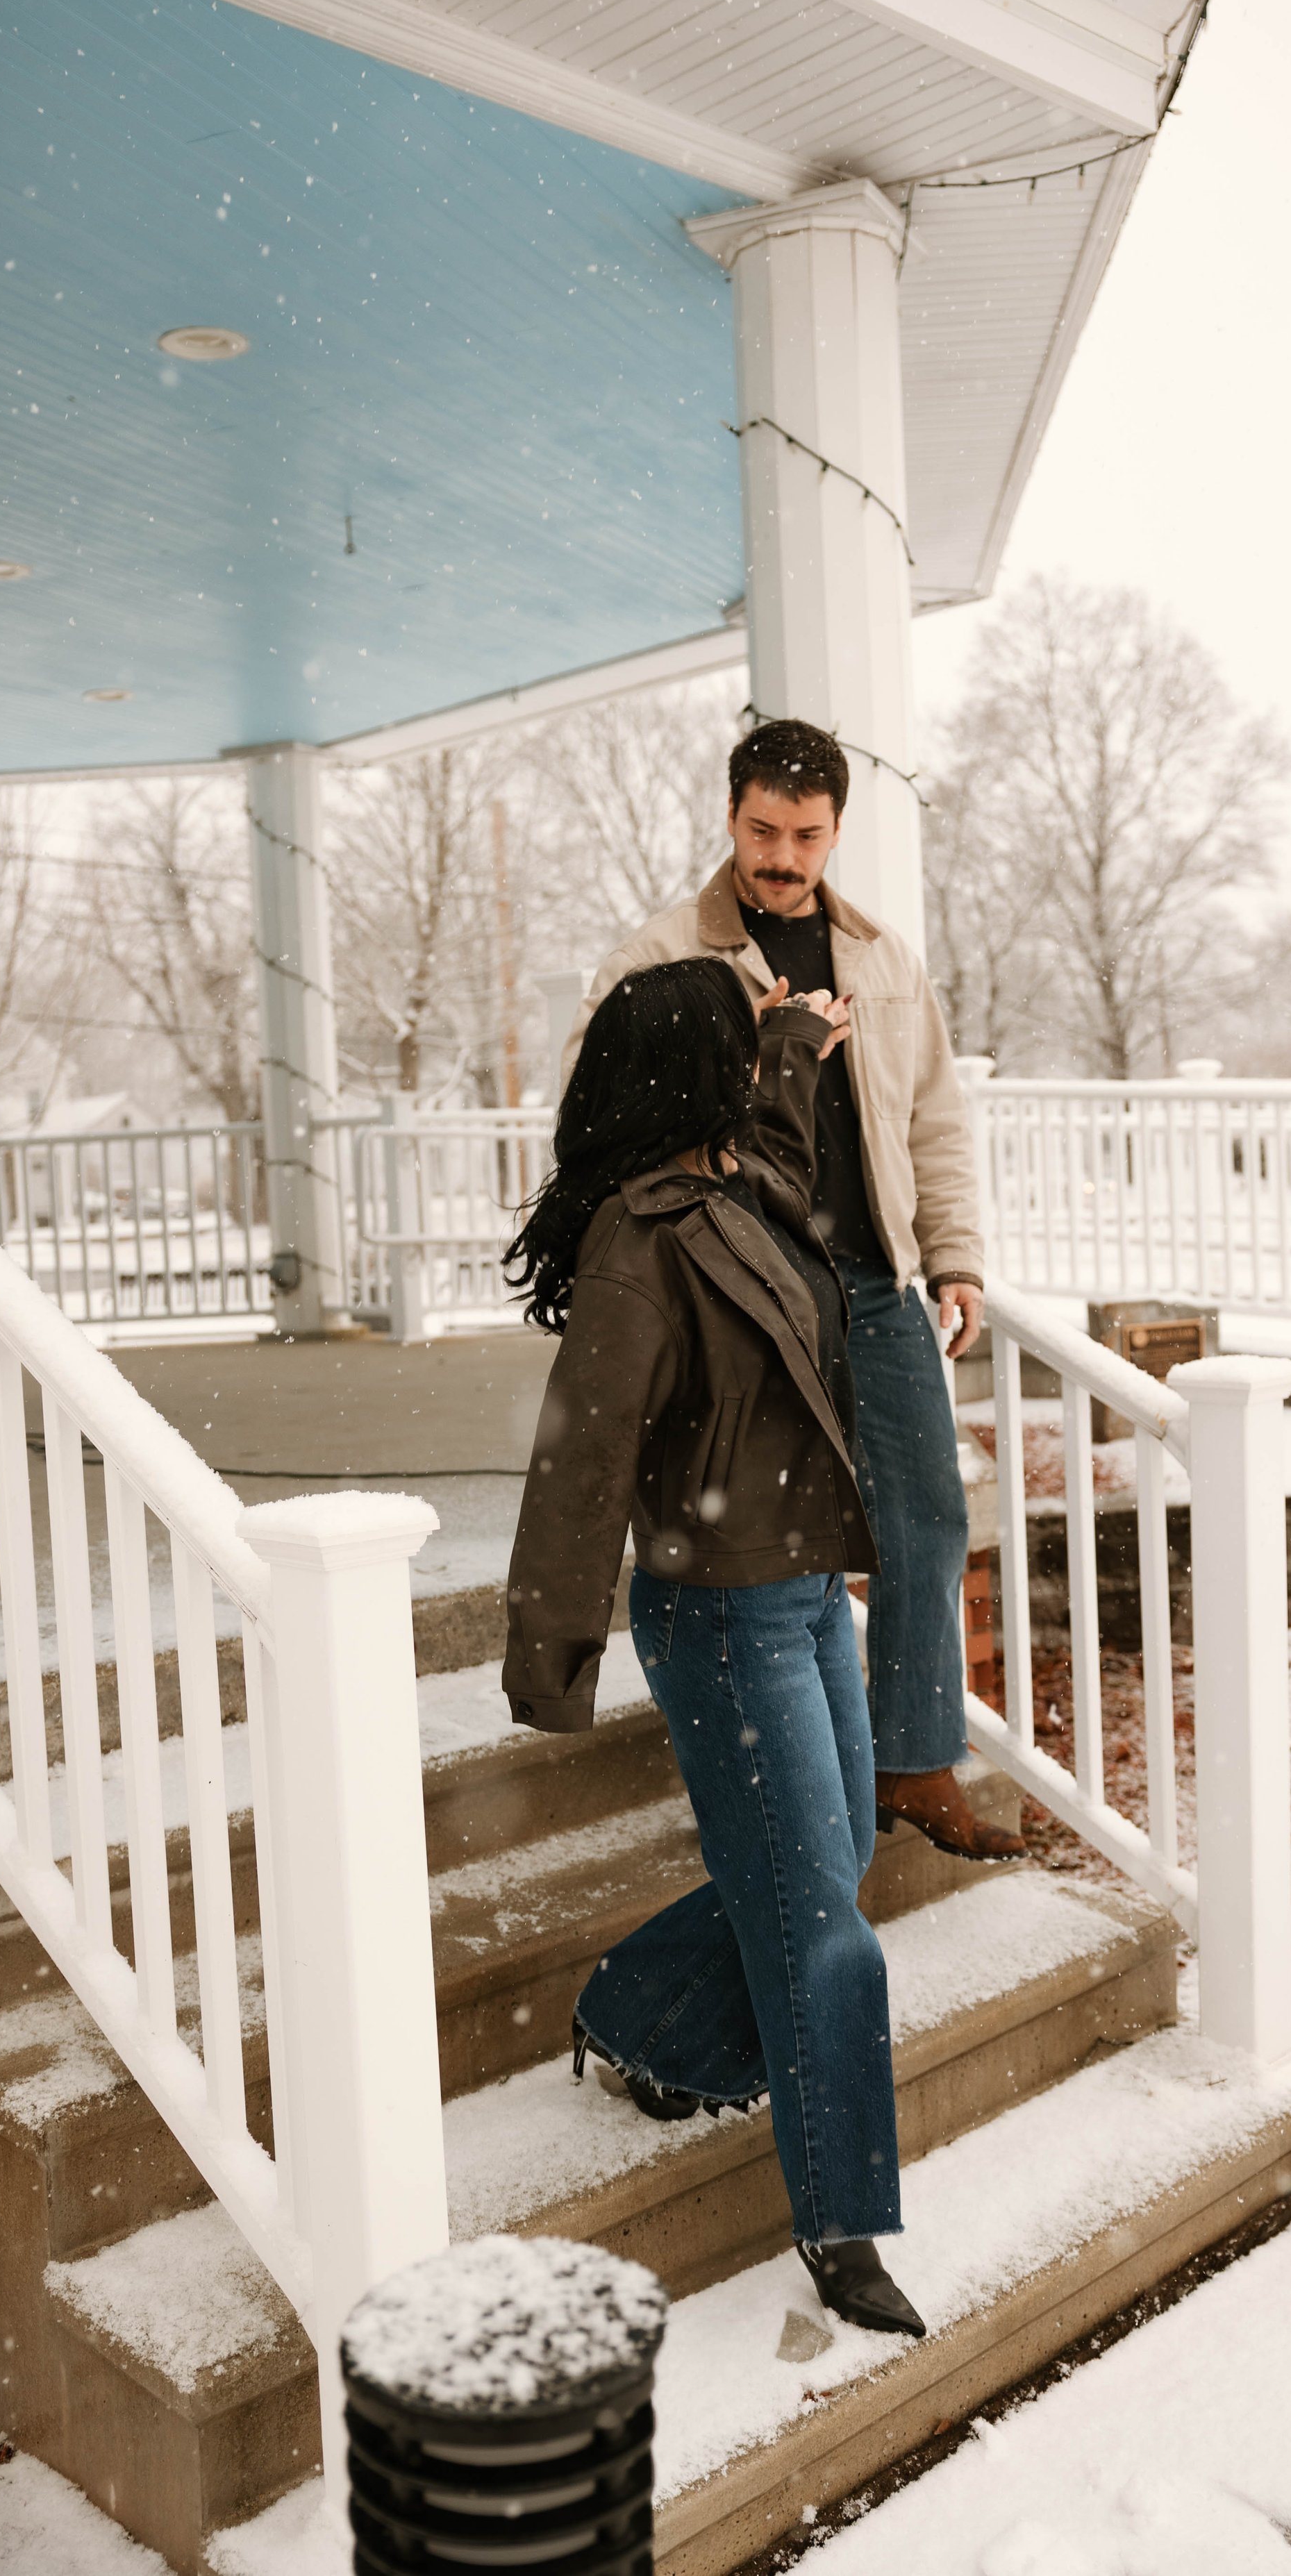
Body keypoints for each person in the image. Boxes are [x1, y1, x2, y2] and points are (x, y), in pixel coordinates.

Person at [502, 957, 924, 2337]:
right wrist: (549, 1641)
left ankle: (639, 2015)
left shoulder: (736, 1182)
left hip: (802, 1589)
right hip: (721, 1613)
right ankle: (846, 2226)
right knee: (823, 1933)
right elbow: (580, 1465)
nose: (759, 1063)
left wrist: (798, 1038)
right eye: (742, 1041)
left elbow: (786, 1139)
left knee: (837, 1849)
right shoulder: (642, 1242)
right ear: (693, 1066)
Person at [561, 717, 1020, 1864]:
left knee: (925, 1515)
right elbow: (603, 1123)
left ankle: (913, 1763)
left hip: (870, 1281)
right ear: (731, 816)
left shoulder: (880, 955)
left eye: (807, 835)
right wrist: (753, 1060)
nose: (783, 855)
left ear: (835, 832)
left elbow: (934, 1116)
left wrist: (954, 1255)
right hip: (740, 1300)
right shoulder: (664, 956)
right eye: (764, 829)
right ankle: (789, 1788)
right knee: (762, 1547)